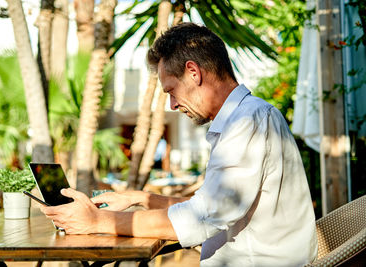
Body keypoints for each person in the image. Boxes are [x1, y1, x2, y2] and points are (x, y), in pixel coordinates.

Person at [41, 22, 318, 266]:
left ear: (193, 72)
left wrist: (98, 222)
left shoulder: (248, 121)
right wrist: (138, 198)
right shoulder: (244, 118)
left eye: (171, 90)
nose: (172, 104)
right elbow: (211, 205)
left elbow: (206, 216)